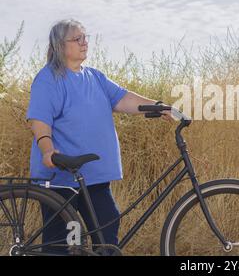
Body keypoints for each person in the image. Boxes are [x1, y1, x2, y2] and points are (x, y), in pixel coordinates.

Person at [26, 18, 172, 254]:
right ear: (60, 45)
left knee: (107, 231)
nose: (84, 43)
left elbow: (124, 99)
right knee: (60, 243)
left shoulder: (95, 77)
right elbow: (39, 119)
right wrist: (47, 150)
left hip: (93, 177)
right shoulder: (49, 78)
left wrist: (157, 106)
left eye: (85, 37)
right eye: (77, 39)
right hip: (62, 177)